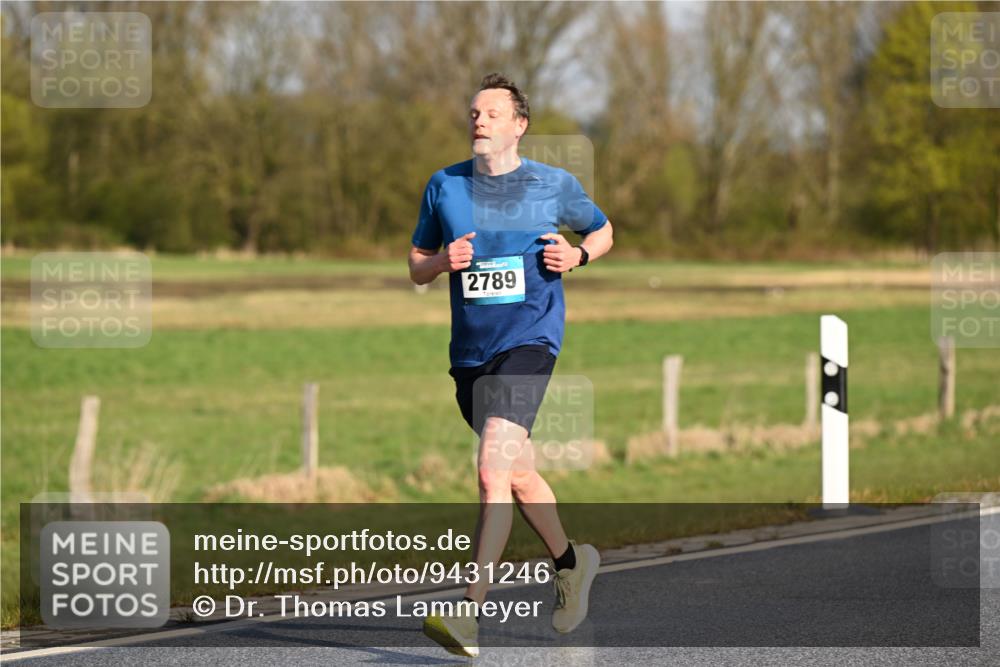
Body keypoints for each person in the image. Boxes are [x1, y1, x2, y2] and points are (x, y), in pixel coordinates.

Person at [408, 73, 614, 658]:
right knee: (518, 475)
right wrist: (441, 262)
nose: (479, 121)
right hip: (470, 355)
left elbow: (601, 231)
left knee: (492, 471)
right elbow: (416, 262)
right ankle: (574, 565)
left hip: (530, 341)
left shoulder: (553, 184)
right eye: (474, 112)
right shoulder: (444, 186)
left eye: (492, 113)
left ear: (519, 125)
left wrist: (576, 255)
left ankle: (468, 614)